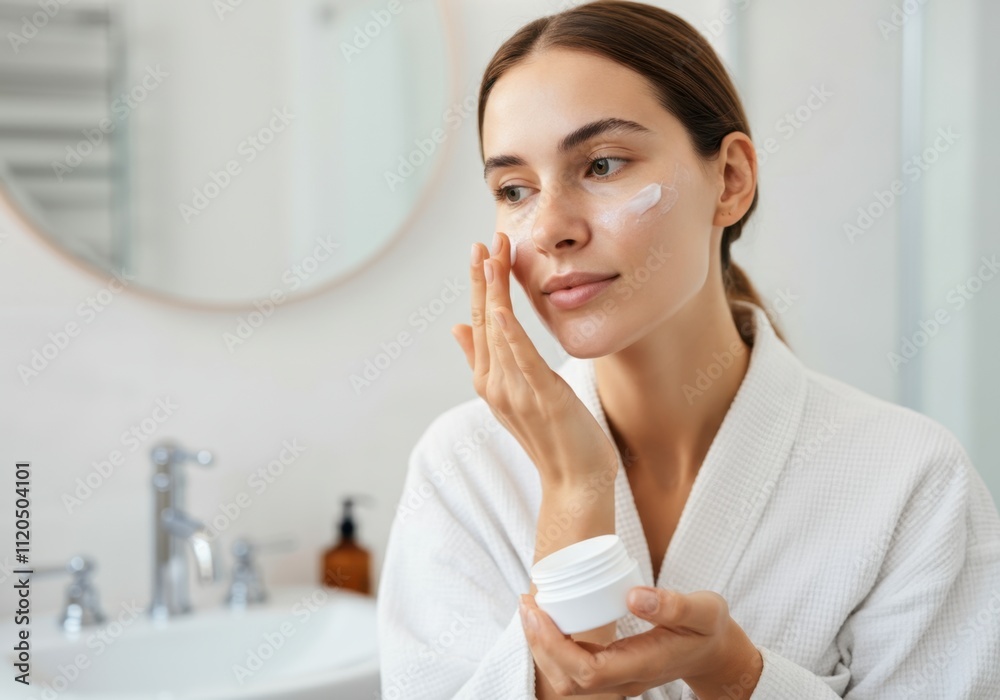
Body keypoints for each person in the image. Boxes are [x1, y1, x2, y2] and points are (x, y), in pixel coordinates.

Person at [376, 1, 1000, 698]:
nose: (550, 227)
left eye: (603, 164)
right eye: (514, 189)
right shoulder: (462, 470)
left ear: (730, 179)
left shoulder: (911, 480)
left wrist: (738, 678)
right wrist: (575, 489)